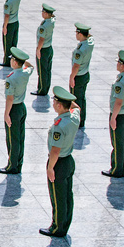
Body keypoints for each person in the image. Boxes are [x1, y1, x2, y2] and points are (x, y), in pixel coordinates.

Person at [41, 86, 81, 237]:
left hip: (58, 163)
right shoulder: (74, 117)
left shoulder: (59, 126)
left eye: (55, 102)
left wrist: (50, 168)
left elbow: (55, 151)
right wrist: (69, 100)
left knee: (58, 197)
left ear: (59, 105)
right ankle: (65, 224)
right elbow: (77, 107)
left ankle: (57, 227)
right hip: (69, 160)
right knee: (67, 195)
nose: (53, 104)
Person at [0, 48, 34, 175]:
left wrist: (6, 114)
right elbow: (31, 66)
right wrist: (23, 62)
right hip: (22, 107)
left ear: (14, 62)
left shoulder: (11, 78)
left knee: (12, 139)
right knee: (20, 137)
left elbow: (10, 98)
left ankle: (12, 166)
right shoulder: (25, 72)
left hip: (13, 109)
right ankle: (18, 164)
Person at [69, 23, 94, 128]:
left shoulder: (80, 50)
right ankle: (82, 120)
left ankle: (77, 121)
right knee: (82, 99)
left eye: (77, 33)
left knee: (76, 100)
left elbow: (76, 66)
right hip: (85, 74)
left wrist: (72, 77)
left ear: (80, 34)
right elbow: (91, 37)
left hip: (78, 76)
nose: (76, 35)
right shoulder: (90, 43)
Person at [33, 4, 55, 96]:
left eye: (43, 12)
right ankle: (46, 88)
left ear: (46, 13)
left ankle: (41, 89)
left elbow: (42, 39)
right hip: (49, 48)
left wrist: (38, 49)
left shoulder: (44, 25)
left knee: (42, 70)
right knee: (47, 70)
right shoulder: (51, 21)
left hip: (43, 49)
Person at [0, 0, 21, 67]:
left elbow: (7, 15)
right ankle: (14, 60)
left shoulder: (8, 2)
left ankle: (7, 61)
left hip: (9, 24)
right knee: (14, 42)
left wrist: (5, 26)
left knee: (7, 44)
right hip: (16, 22)